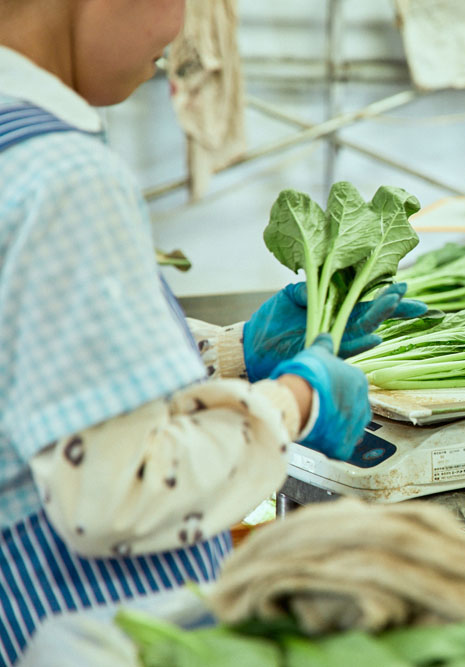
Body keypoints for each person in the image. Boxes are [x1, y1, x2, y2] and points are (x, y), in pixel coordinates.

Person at [0, 1, 424, 662]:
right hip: (91, 626)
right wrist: (293, 403)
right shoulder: (64, 173)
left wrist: (230, 355)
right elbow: (116, 491)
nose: (183, 30)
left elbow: (37, 376)